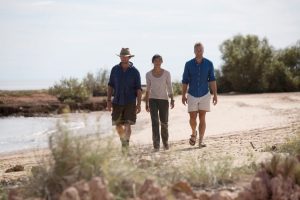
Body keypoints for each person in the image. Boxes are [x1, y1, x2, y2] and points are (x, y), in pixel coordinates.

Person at [181, 42, 217, 148]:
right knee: (192, 118)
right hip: (191, 94)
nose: (199, 52)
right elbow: (185, 81)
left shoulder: (209, 64)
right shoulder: (188, 64)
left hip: (205, 94)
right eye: (197, 50)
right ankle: (193, 132)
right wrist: (183, 95)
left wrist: (215, 94)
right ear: (194, 51)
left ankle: (201, 141)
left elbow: (212, 80)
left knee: (202, 117)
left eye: (200, 50)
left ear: (203, 50)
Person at [107, 48, 142, 153]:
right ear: (120, 57)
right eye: (122, 56)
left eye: (125, 56)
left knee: (127, 124)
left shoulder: (135, 72)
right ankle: (123, 141)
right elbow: (110, 85)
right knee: (118, 125)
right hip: (117, 101)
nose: (123, 58)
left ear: (129, 57)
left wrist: (139, 104)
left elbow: (138, 89)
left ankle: (125, 146)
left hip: (130, 101)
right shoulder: (115, 70)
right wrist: (108, 100)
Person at [145, 54, 174, 151]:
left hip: (164, 100)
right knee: (155, 122)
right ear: (152, 62)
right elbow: (148, 89)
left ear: (162, 62)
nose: (157, 62)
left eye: (159, 60)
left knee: (164, 123)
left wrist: (172, 99)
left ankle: (165, 143)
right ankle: (156, 145)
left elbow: (169, 86)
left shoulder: (167, 73)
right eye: (155, 60)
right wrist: (146, 103)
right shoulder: (148, 74)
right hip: (152, 100)